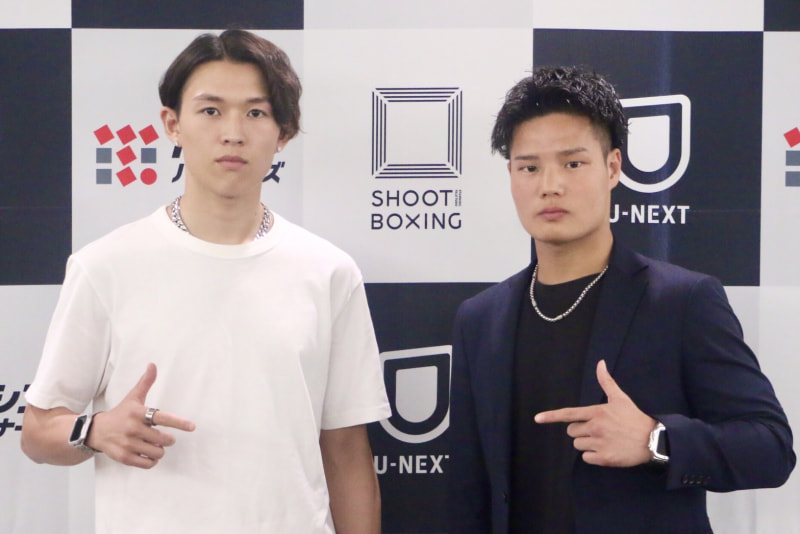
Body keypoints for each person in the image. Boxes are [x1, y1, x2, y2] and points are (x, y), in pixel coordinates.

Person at [21, 29, 390, 533]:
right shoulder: (104, 265)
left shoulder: (329, 271)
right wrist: (95, 430)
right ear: (172, 124)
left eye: (256, 113)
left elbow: (346, 453)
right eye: (211, 110)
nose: (233, 133)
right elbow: (37, 432)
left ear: (283, 133)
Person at [447, 66, 795, 533]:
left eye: (573, 164)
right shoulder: (479, 319)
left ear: (613, 168)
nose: (549, 185)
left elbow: (771, 448)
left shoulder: (682, 301)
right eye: (529, 167)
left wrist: (656, 439)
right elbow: (468, 491)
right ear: (511, 174)